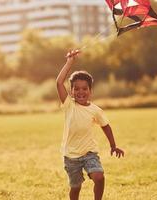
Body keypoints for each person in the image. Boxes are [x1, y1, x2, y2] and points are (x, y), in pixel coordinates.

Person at [56, 49, 124, 200]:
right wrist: (69, 63)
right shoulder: (69, 105)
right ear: (71, 91)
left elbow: (105, 126)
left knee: (99, 177)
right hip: (71, 156)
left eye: (85, 89)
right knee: (75, 188)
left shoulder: (95, 110)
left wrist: (113, 145)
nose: (81, 92)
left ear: (90, 91)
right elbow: (59, 82)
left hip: (89, 153)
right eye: (76, 89)